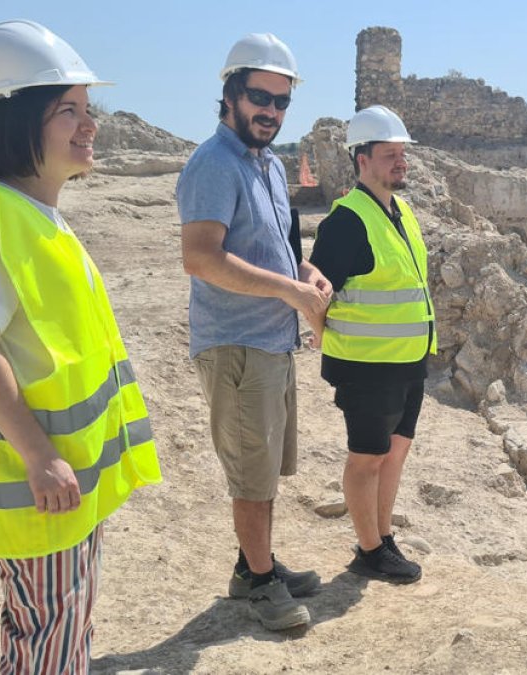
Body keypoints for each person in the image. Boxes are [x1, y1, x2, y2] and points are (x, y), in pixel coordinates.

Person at [0, 20, 162, 673]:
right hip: (38, 487)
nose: (91, 125)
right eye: (69, 111)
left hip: (63, 483)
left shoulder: (37, 215)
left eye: (90, 109)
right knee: (49, 641)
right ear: (17, 121)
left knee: (61, 631)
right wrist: (39, 456)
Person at [176, 33, 330, 631]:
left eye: (281, 101)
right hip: (237, 346)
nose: (271, 111)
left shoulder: (265, 162)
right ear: (231, 94)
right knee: (250, 473)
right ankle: (261, 585)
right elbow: (202, 258)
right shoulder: (213, 163)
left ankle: (252, 565)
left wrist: (306, 274)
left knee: (264, 468)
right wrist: (291, 293)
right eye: (260, 97)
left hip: (270, 342)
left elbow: (272, 249)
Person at [307, 105, 437, 584]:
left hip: (407, 361)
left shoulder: (401, 212)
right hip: (366, 365)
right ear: (361, 160)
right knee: (367, 458)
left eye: (402, 154)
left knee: (396, 451)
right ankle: (369, 549)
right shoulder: (346, 221)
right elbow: (315, 289)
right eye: (389, 155)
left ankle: (383, 539)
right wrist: (322, 336)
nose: (400, 163)